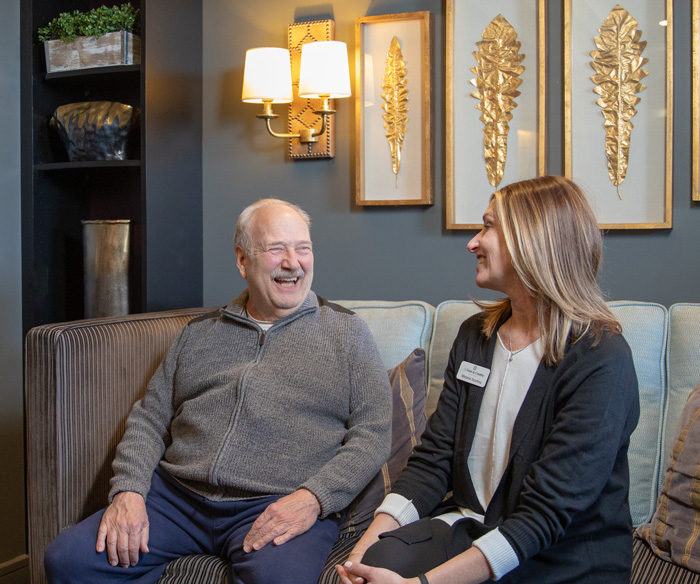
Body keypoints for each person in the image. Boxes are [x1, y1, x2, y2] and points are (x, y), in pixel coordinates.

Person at [45, 199, 393, 584]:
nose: (293, 262)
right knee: (68, 559)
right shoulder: (198, 333)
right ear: (243, 261)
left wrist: (313, 499)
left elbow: (372, 434)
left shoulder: (347, 333)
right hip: (176, 498)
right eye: (277, 249)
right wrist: (128, 490)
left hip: (275, 503)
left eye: (303, 248)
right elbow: (150, 418)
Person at [336, 176, 640, 584]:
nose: (472, 243)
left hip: (559, 555)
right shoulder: (475, 336)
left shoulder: (601, 358)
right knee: (381, 559)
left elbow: (545, 515)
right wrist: (363, 552)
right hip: (470, 526)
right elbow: (434, 460)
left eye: (488, 227)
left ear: (533, 240)